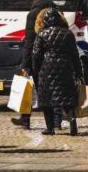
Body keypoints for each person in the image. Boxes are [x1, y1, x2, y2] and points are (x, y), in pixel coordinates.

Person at [32, 8, 83, 136]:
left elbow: (36, 55)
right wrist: (79, 72)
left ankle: (50, 128)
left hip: (47, 70)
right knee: (67, 99)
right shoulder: (68, 34)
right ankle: (72, 122)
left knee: (46, 100)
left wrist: (36, 71)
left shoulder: (42, 34)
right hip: (65, 69)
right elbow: (75, 55)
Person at [11, 0, 56, 129]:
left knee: (26, 88)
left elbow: (29, 41)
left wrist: (25, 64)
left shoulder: (32, 14)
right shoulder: (56, 12)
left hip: (35, 57)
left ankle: (25, 120)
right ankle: (56, 121)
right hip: (53, 56)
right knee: (52, 88)